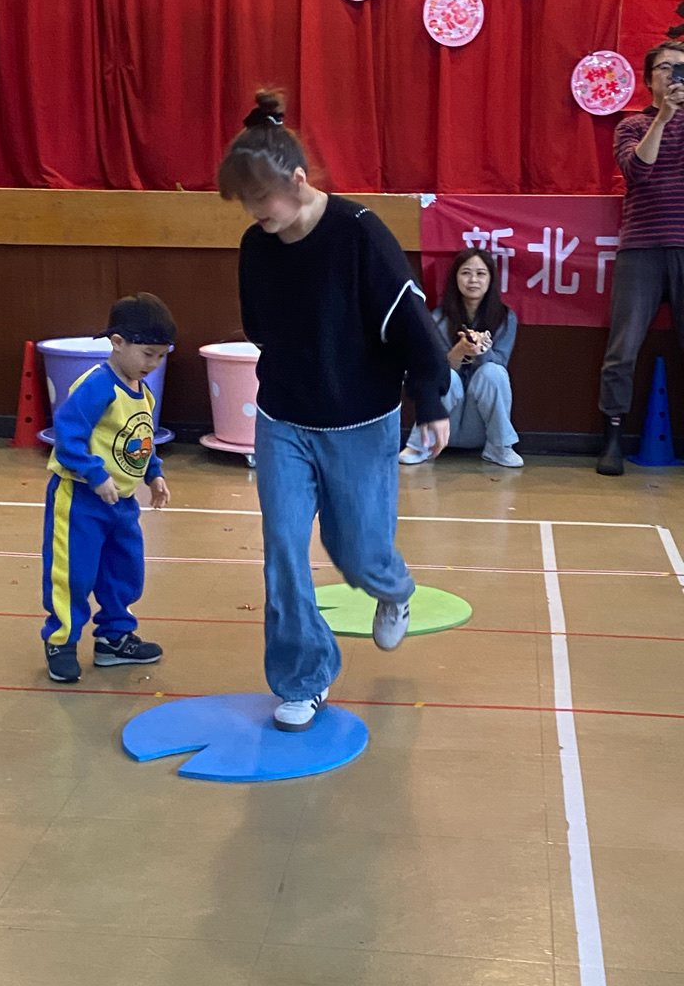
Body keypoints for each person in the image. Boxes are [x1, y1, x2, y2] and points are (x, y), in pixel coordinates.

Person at [218, 90, 451, 732]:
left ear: (297, 180)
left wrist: (431, 400)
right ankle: (304, 677)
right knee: (283, 548)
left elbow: (412, 325)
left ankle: (393, 588)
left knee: (357, 553)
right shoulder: (257, 246)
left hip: (360, 422)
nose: (254, 213)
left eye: (261, 199)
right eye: (245, 203)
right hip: (284, 419)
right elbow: (259, 326)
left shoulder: (359, 233)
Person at [41, 293, 176, 683]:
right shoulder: (96, 386)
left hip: (122, 503)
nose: (153, 363)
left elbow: (141, 438)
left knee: (124, 570)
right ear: (117, 342)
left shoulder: (142, 391)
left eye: (161, 356)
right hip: (81, 500)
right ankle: (61, 641)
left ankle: (114, 639)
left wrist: (154, 473)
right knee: (74, 573)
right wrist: (95, 475)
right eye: (147, 354)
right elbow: (67, 437)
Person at [597, 39, 684, 476]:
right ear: (650, 78)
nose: (674, 75)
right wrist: (664, 117)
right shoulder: (631, 125)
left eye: (681, 69)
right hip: (641, 248)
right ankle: (612, 438)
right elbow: (637, 172)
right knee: (622, 349)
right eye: (666, 68)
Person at [399, 248, 521, 467]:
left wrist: (481, 351)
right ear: (455, 278)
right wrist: (459, 352)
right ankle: (420, 445)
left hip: (482, 425)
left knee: (493, 372)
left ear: (491, 279)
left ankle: (499, 447)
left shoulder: (505, 318)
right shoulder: (438, 318)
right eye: (466, 273)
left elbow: (501, 366)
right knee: (447, 376)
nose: (473, 280)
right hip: (444, 424)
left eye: (481, 274)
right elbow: (432, 373)